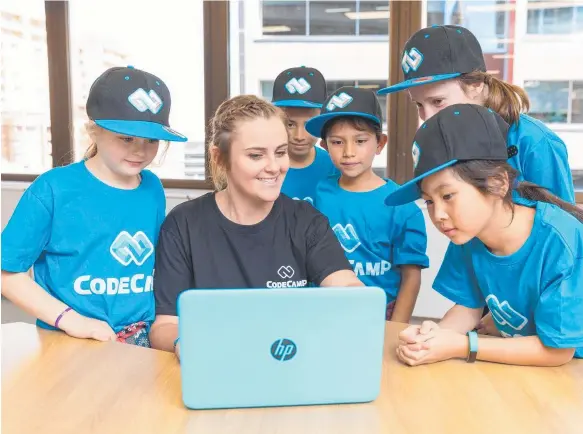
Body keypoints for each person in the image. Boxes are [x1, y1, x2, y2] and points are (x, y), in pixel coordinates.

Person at [378, 24, 576, 330]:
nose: (428, 116)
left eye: (438, 101)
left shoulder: (534, 143)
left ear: (476, 85)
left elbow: (564, 247)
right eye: (419, 105)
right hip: (490, 296)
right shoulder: (446, 143)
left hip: (548, 308)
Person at [149, 95, 363, 356]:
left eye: (280, 153)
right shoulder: (183, 225)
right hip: (217, 364)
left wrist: (360, 300)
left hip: (287, 363)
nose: (274, 167)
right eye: (256, 155)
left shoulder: (307, 222)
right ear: (219, 157)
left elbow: (345, 285)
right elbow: (165, 325)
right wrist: (183, 343)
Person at [1, 66, 188, 347]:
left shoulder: (152, 188)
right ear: (93, 131)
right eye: (126, 138)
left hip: (141, 343)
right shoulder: (53, 188)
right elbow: (7, 273)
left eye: (151, 141)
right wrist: (72, 321)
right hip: (68, 340)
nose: (140, 150)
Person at [384, 104, 583, 367]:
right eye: (429, 201)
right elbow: (468, 308)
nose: (439, 214)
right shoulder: (468, 235)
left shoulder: (560, 240)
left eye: (447, 196)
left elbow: (557, 352)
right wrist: (431, 339)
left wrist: (462, 345)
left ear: (498, 184)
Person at [306, 86, 429, 322]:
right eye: (337, 142)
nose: (349, 152)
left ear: (380, 143)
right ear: (325, 146)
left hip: (377, 316)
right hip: (321, 312)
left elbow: (411, 277)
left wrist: (396, 329)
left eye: (360, 140)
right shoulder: (320, 193)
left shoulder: (402, 205)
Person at [271, 66, 337, 205]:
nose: (299, 136)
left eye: (308, 125)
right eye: (290, 124)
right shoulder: (264, 166)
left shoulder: (336, 166)